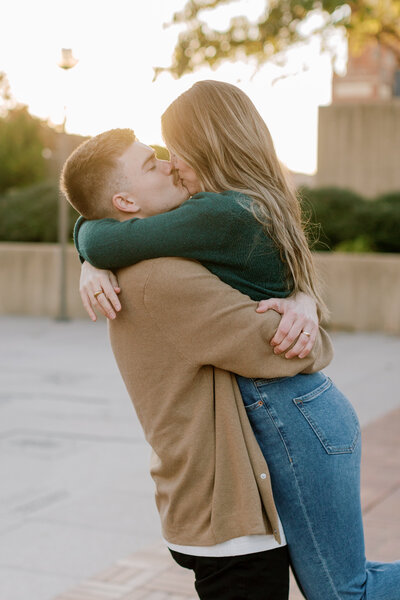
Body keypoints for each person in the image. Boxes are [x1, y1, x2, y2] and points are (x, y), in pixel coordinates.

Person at [69, 81, 400, 600]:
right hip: (297, 410)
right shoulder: (250, 203)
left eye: (171, 151)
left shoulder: (217, 216)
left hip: (293, 411)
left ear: (206, 146)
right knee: (346, 588)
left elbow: (105, 232)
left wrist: (89, 253)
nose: (170, 163)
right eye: (156, 159)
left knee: (345, 593)